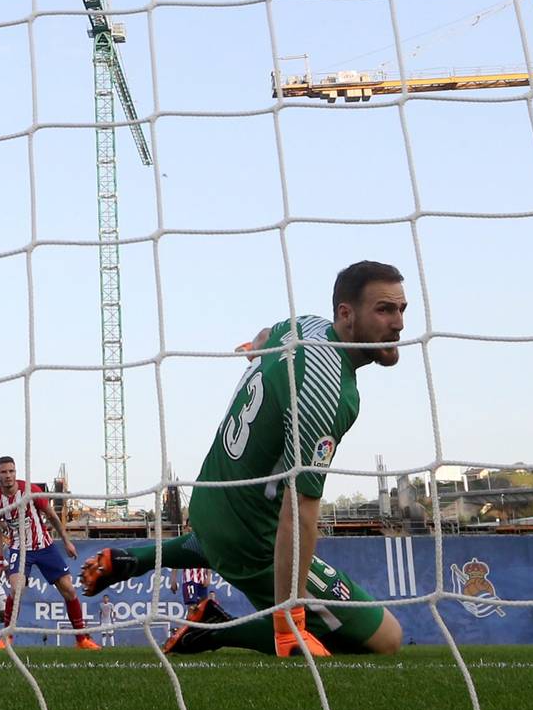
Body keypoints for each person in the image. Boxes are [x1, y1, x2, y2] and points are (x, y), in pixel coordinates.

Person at [81, 261, 408, 657]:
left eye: (401, 309)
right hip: (251, 538)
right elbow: (300, 511)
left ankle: (136, 559)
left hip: (209, 501)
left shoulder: (304, 326)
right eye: (384, 310)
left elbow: (266, 335)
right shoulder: (329, 392)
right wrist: (289, 619)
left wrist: (256, 354)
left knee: (236, 534)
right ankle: (212, 629)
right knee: (386, 638)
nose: (398, 323)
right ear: (346, 313)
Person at [0, 456, 100, 650]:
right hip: (19, 549)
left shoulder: (30, 491)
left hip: (44, 547)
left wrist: (66, 541)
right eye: (4, 472)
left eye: (11, 471)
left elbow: (52, 515)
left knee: (69, 590)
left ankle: (81, 639)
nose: (8, 475)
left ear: (16, 472)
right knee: (16, 589)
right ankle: (7, 638)